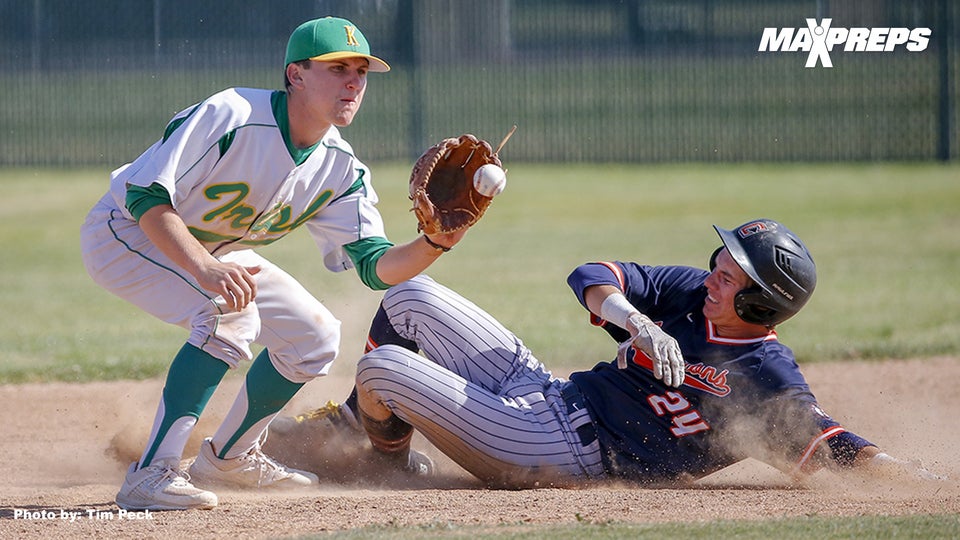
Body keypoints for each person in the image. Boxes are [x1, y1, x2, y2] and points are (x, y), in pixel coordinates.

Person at [80, 16, 467, 511]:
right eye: (337, 68)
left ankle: (229, 458)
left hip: (212, 250)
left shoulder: (340, 167)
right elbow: (145, 194)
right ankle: (150, 475)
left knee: (315, 336)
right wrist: (203, 267)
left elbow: (374, 266)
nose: (353, 81)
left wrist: (436, 242)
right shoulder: (233, 114)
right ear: (295, 75)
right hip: (125, 232)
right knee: (229, 308)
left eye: (361, 71)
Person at [347, 218, 943, 487]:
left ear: (761, 306)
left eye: (731, 277)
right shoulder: (693, 293)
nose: (714, 276)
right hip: (548, 392)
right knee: (411, 294)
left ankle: (386, 466)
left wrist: (905, 477)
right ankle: (357, 428)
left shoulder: (764, 375)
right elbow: (593, 273)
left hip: (564, 453)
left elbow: (825, 441)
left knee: (383, 369)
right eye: (720, 263)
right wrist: (635, 321)